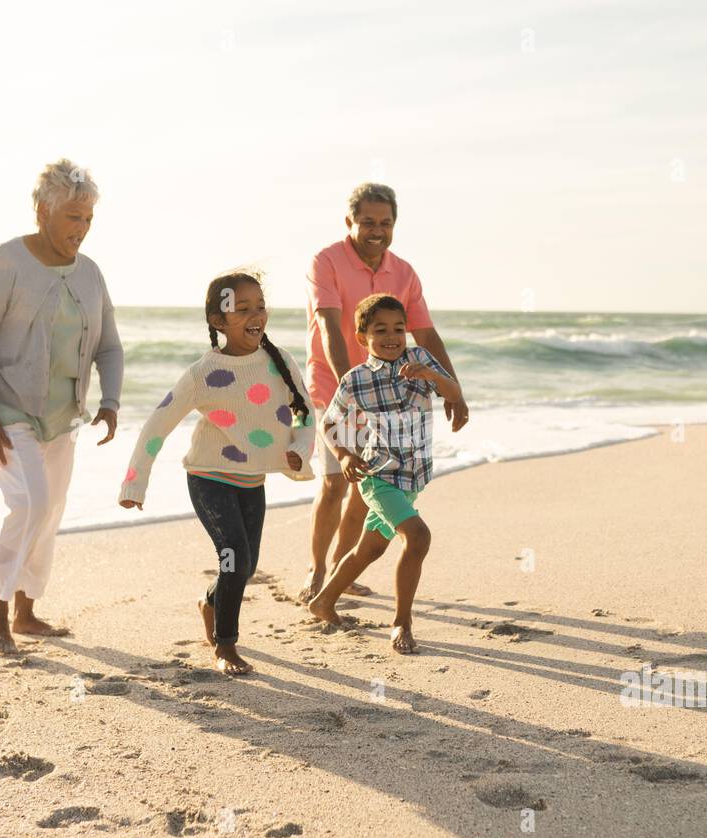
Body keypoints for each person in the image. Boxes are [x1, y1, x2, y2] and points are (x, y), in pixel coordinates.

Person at [0, 159, 122, 653]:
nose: (82, 228)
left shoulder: (90, 274)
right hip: (8, 414)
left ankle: (28, 610)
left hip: (61, 417)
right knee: (29, 504)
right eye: (74, 217)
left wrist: (110, 400)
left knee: (50, 512)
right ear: (42, 211)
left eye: (88, 218)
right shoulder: (1, 263)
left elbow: (109, 346)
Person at [119, 272, 314, 675]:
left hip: (252, 481)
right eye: (242, 309)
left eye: (259, 305)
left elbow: (305, 410)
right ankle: (225, 646)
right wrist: (135, 482)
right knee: (234, 558)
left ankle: (210, 603)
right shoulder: (202, 375)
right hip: (209, 479)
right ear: (217, 321)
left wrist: (298, 448)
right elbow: (157, 425)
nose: (255, 314)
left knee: (245, 566)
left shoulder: (281, 361)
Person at [299, 183, 468, 603]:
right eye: (368, 222)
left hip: (391, 397)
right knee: (337, 482)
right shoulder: (327, 261)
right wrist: (350, 386)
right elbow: (328, 326)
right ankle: (317, 570)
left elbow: (425, 332)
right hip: (336, 385)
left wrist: (453, 388)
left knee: (367, 486)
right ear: (350, 223)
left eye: (385, 223)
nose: (377, 230)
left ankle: (343, 566)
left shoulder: (404, 272)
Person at [308, 294, 462, 654]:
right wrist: (344, 455)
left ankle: (323, 601)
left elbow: (453, 391)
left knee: (369, 549)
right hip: (378, 476)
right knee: (418, 537)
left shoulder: (420, 359)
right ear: (362, 337)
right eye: (381, 330)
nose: (392, 337)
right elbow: (329, 422)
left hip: (413, 476)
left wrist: (430, 374)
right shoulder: (354, 380)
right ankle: (401, 623)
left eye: (399, 329)